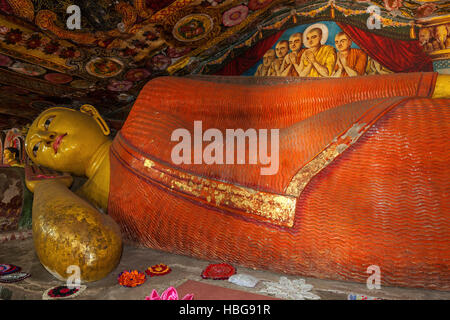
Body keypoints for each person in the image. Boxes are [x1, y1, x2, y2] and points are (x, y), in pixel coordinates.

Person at [25, 73, 450, 289]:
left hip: (343, 151)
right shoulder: (92, 213)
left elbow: (281, 101)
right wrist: (43, 187)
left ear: (93, 116)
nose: (45, 138)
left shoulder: (152, 100)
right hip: (327, 245)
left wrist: (423, 85)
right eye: (37, 148)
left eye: (46, 122)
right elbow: (89, 255)